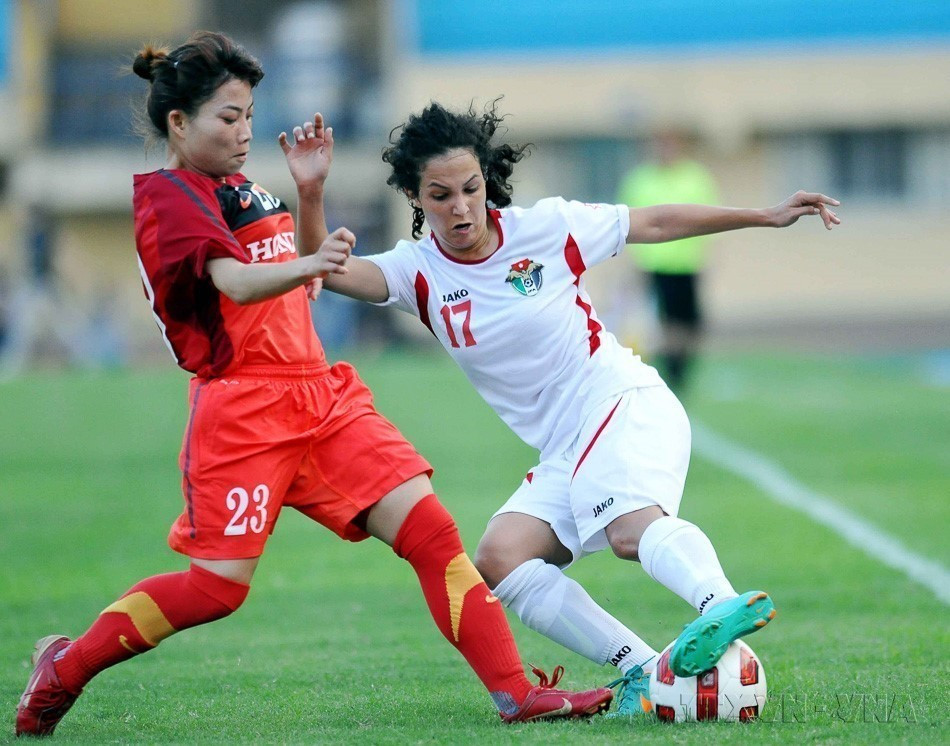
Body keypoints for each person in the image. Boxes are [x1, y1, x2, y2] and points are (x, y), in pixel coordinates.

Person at [13, 35, 613, 737]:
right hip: (243, 410)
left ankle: (516, 694)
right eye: (228, 118)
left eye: (248, 115)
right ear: (178, 123)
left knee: (431, 531)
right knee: (214, 591)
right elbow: (237, 283)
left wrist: (309, 194)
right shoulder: (170, 199)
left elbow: (296, 275)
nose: (244, 132)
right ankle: (64, 667)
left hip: (320, 396)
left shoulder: (242, 188)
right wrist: (313, 265)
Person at [318, 101, 840, 716]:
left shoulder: (545, 228)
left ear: (487, 180)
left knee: (627, 531)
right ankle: (644, 669)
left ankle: (720, 603)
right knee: (501, 557)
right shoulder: (417, 272)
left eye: (471, 188)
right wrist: (309, 190)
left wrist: (764, 215)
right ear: (414, 196)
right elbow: (325, 272)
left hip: (619, 401)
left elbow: (654, 222)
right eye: (440, 195)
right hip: (567, 444)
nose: (461, 207)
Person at [616, 131, 719, 393]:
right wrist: (631, 262)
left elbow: (709, 217)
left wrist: (708, 259)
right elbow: (625, 222)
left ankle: (680, 368)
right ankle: (670, 372)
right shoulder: (641, 180)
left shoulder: (695, 178)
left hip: (687, 264)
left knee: (691, 323)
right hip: (654, 265)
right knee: (662, 323)